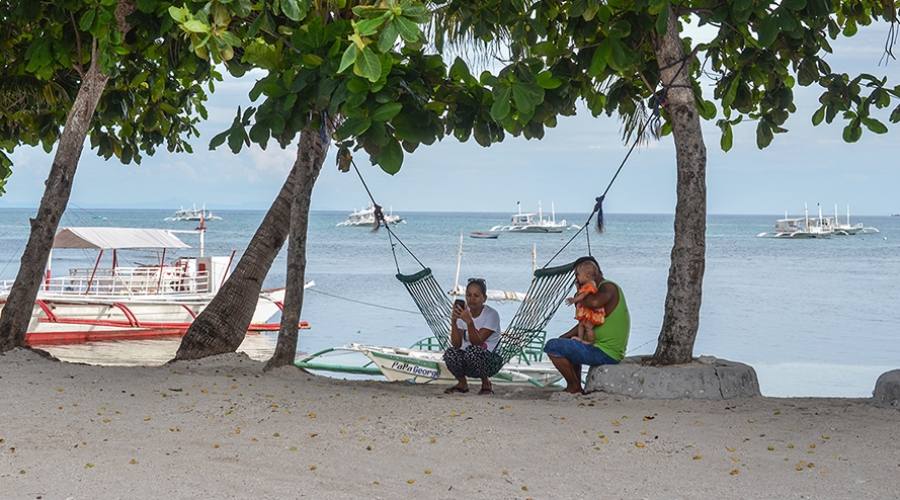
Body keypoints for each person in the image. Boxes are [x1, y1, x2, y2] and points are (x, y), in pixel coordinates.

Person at [544, 256, 629, 394]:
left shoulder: (608, 287)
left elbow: (594, 303)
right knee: (563, 343)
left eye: (577, 275)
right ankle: (576, 386)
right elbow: (583, 322)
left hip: (605, 352)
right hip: (596, 346)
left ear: (589, 274)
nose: (576, 279)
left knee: (552, 346)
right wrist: (563, 337)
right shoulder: (594, 292)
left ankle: (574, 386)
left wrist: (581, 292)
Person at [442, 278, 503, 395]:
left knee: (473, 351)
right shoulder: (463, 314)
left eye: (476, 296)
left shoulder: (491, 315)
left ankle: (486, 383)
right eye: (468, 295)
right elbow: (456, 344)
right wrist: (454, 322)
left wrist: (469, 322)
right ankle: (462, 384)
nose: (472, 299)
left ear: (484, 298)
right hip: (468, 358)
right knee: (450, 353)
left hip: (490, 359)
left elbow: (477, 342)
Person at [566, 261, 605, 343]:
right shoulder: (585, 285)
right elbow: (581, 293)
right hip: (585, 311)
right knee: (581, 325)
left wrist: (574, 300)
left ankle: (590, 341)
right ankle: (580, 339)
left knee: (588, 327)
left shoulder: (590, 285)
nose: (577, 277)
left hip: (590, 312)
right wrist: (578, 287)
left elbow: (583, 296)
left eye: (578, 275)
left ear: (587, 276)